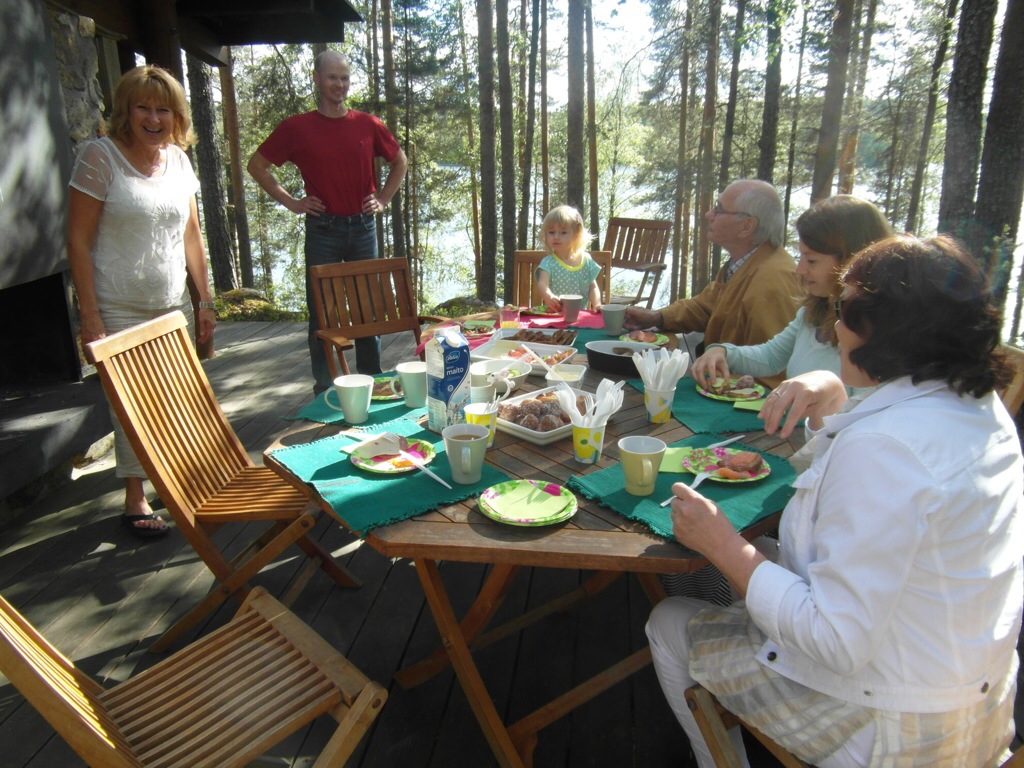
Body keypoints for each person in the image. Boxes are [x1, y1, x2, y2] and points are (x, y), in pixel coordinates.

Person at [647, 234, 1022, 768]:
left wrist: (723, 544)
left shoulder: (888, 447)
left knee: (669, 619)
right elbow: (865, 520)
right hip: (972, 698)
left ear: (887, 328)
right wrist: (834, 404)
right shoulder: (978, 408)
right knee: (764, 555)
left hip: (894, 731)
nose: (835, 326)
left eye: (844, 310)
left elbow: (836, 640)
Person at [67, 65, 217, 540]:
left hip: (171, 304)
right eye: (143, 108)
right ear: (125, 111)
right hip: (118, 305)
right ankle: (135, 497)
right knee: (130, 407)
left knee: (175, 398)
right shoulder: (100, 156)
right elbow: (77, 240)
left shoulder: (179, 161)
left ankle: (176, 482)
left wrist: (205, 301)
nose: (154, 119)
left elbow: (192, 236)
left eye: (163, 110)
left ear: (177, 116)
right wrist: (89, 315)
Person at [247, 50, 408, 394]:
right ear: (317, 79)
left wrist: (382, 199)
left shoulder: (368, 124)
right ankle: (325, 390)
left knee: (368, 310)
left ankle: (373, 381)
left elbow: (401, 162)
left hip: (363, 227)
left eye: (344, 78)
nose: (339, 84)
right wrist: (292, 202)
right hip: (323, 229)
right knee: (322, 313)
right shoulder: (297, 127)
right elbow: (256, 166)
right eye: (332, 77)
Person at [690, 195, 893, 389]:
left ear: (853, 261)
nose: (800, 270)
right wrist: (724, 352)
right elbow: (771, 356)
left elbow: (866, 406)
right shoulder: (813, 313)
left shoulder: (879, 334)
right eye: (801, 257)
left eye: (811, 260)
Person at [623, 179, 803, 386]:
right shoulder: (744, 263)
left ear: (747, 226)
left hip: (739, 397)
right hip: (717, 382)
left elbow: (772, 374)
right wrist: (657, 317)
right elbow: (705, 308)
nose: (709, 214)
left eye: (718, 209)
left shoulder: (773, 280)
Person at [534, 205, 602, 312]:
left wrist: (597, 304)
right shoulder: (548, 262)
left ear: (576, 235)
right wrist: (549, 296)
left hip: (580, 316)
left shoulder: (586, 261)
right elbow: (542, 284)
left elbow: (593, 288)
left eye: (563, 232)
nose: (556, 237)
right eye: (551, 232)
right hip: (555, 314)